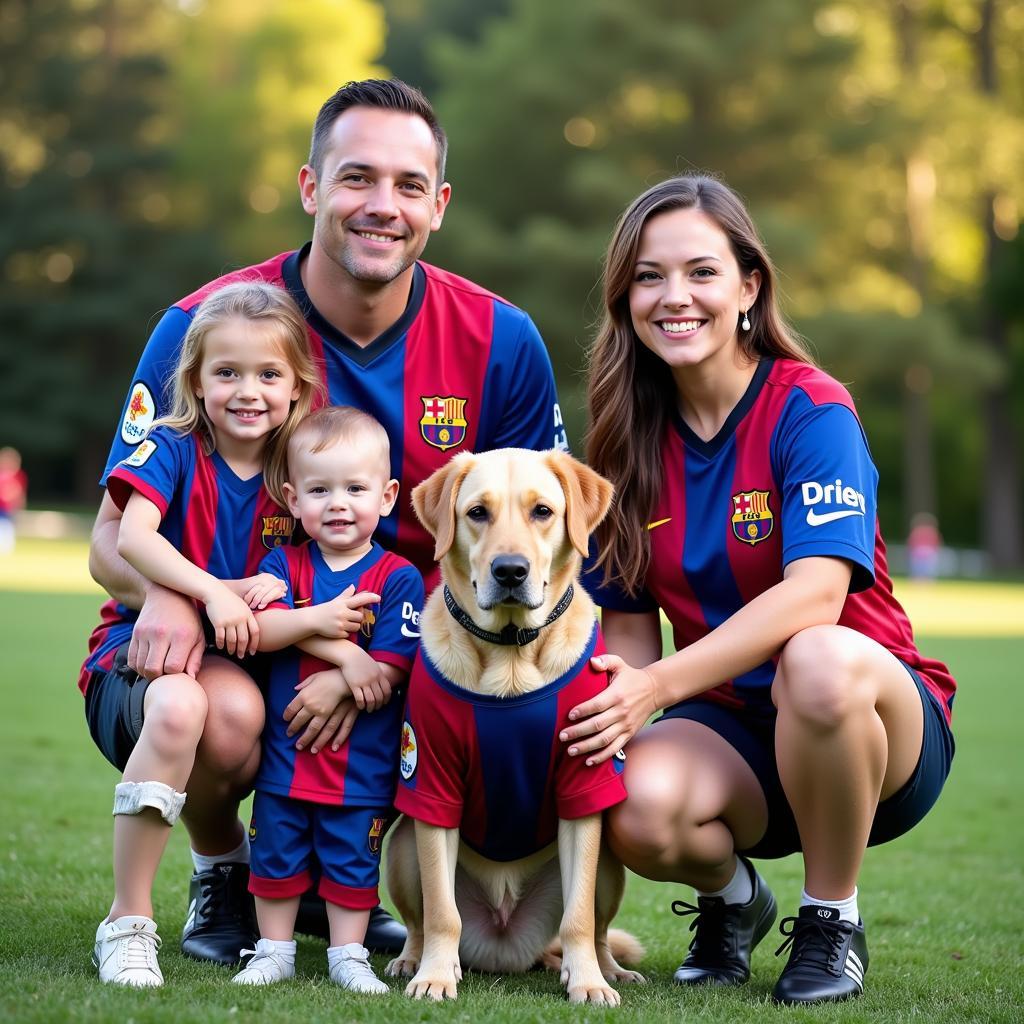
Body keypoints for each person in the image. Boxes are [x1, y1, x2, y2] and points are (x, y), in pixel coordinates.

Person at [84, 78, 567, 964]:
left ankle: (347, 883)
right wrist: (174, 595)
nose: (382, 207)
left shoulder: (502, 341)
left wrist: (370, 660)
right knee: (224, 720)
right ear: (311, 189)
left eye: (408, 186)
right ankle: (226, 867)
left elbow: (540, 540)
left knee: (475, 692)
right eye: (356, 178)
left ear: (439, 204)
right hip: (207, 651)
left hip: (397, 642)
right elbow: (109, 542)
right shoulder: (208, 327)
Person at [564, 175, 956, 1005]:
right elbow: (629, 647)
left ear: (749, 286)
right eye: (648, 276)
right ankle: (735, 904)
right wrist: (604, 715)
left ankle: (831, 919)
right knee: (628, 796)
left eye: (701, 272)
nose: (675, 297)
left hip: (869, 723)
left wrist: (661, 686)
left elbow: (815, 597)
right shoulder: (622, 444)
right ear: (624, 296)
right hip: (734, 732)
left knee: (813, 659)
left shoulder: (811, 409)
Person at [86, 281, 326, 986]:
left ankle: (291, 880)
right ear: (195, 380)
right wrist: (209, 593)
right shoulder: (174, 447)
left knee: (233, 713)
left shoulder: (301, 468)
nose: (247, 391)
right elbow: (132, 536)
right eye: (226, 373)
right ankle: (127, 923)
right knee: (183, 705)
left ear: (297, 386)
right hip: (147, 659)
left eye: (268, 374)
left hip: (245, 671)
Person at [234, 406, 423, 993]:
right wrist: (346, 654)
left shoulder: (398, 578)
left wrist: (351, 670)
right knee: (276, 857)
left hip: (359, 764)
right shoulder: (280, 567)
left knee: (351, 860)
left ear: (388, 496)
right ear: (293, 500)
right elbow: (260, 629)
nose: (337, 503)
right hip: (285, 759)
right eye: (319, 490)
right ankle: (273, 950)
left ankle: (348, 954)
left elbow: (387, 672)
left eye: (355, 488)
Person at [0, 446, 28, 554]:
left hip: (9, 509)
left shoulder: (18, 476)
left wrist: (19, 504)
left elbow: (19, 492)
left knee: (7, 527)